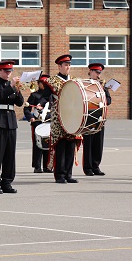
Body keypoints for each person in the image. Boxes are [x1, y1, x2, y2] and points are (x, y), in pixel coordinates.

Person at [0, 60, 24, 194]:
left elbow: (20, 103)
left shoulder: (12, 85)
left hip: (11, 121)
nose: (8, 74)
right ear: (0, 71)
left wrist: (18, 91)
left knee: (10, 154)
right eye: (6, 71)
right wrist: (12, 87)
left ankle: (7, 181)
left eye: (10, 71)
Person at [44, 54, 81, 184]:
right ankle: (59, 175)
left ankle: (68, 174)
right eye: (65, 65)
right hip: (59, 117)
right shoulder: (52, 81)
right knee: (60, 146)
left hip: (73, 116)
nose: (68, 67)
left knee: (71, 146)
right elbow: (44, 96)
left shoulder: (75, 80)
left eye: (69, 65)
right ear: (59, 66)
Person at [82, 63, 112, 176]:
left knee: (98, 143)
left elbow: (109, 100)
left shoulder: (102, 86)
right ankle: (88, 167)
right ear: (90, 72)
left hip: (100, 117)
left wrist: (103, 94)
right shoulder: (85, 84)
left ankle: (96, 166)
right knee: (88, 144)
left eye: (99, 73)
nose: (98, 75)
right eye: (96, 72)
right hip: (89, 117)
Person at [24, 74, 51, 173]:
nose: (43, 85)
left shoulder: (51, 96)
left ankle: (47, 166)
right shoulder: (34, 95)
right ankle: (37, 166)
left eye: (45, 83)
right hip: (37, 123)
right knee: (37, 144)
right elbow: (27, 108)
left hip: (49, 122)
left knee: (49, 144)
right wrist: (30, 117)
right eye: (42, 83)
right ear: (38, 84)